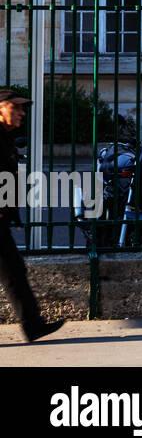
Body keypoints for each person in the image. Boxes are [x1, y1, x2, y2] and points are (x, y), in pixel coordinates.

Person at [0, 89, 63, 342]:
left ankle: (33, 324)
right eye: (15, 108)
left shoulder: (5, 137)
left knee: (14, 271)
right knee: (14, 271)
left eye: (21, 108)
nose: (21, 112)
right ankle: (32, 324)